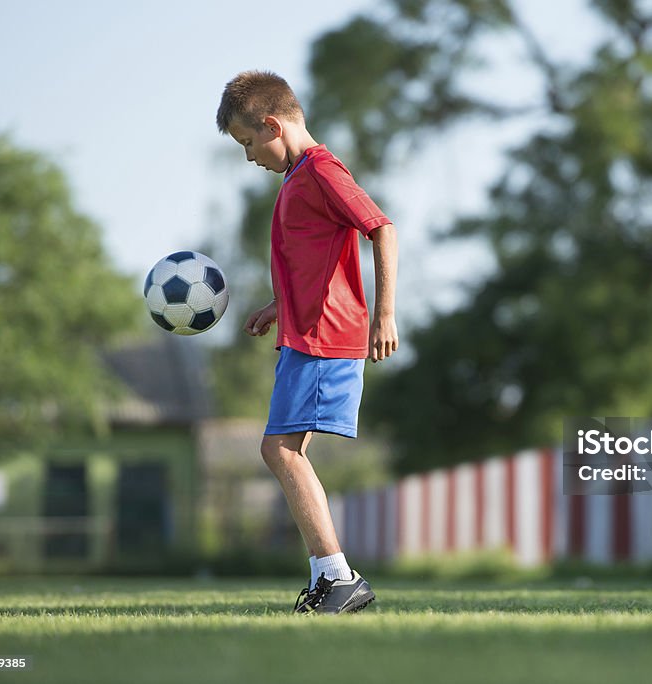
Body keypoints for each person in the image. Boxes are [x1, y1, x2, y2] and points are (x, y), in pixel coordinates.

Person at [216, 70, 398, 614]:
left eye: (249, 143)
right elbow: (317, 259)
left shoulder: (320, 170)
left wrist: (384, 313)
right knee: (287, 452)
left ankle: (337, 578)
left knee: (279, 450)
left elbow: (381, 228)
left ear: (272, 124)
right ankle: (330, 578)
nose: (250, 157)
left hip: (325, 336)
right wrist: (280, 305)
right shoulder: (299, 177)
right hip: (306, 331)